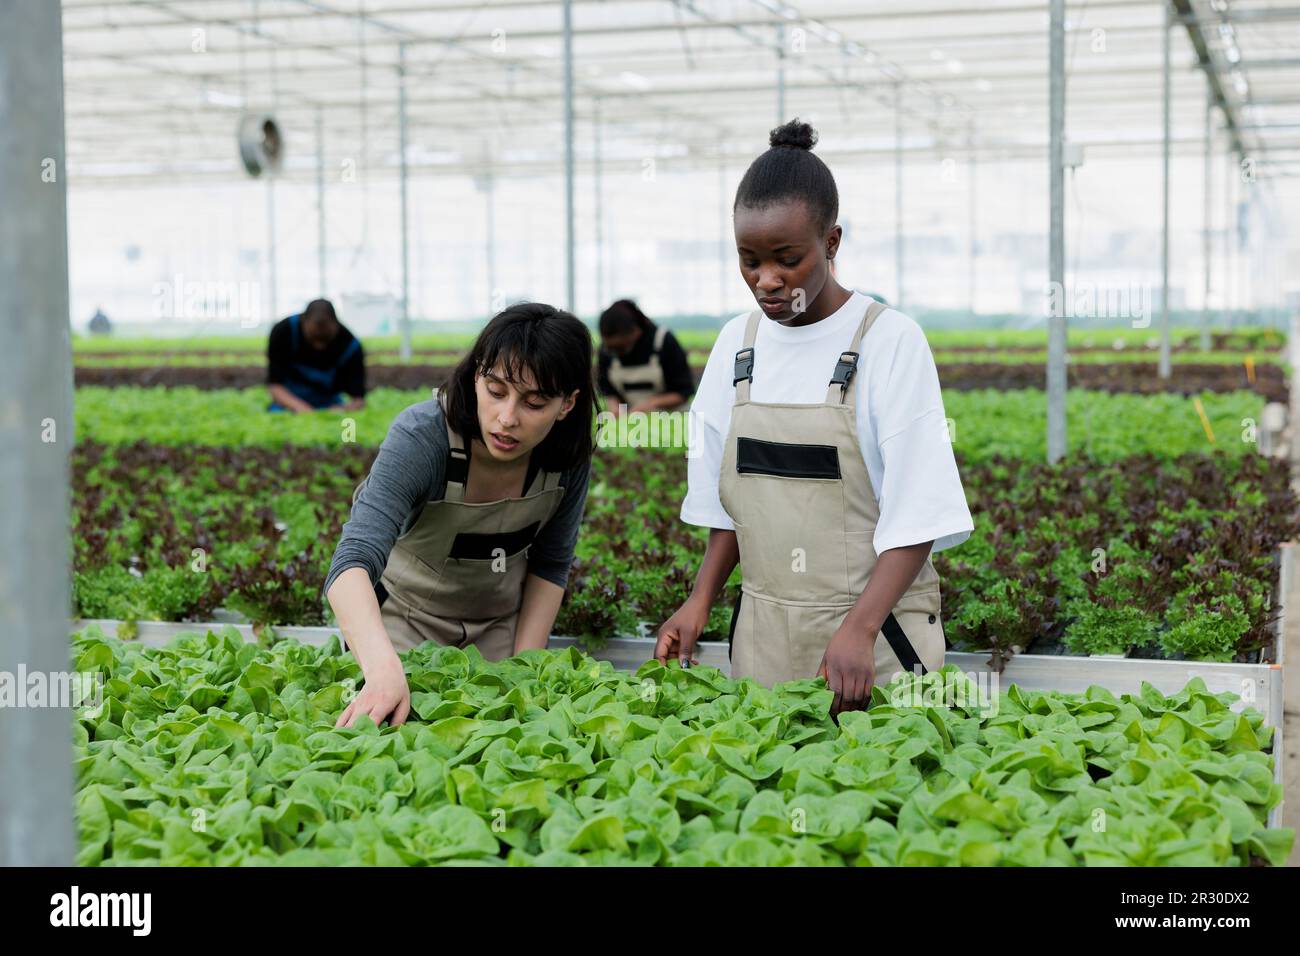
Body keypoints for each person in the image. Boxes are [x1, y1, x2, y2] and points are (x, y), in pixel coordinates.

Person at [655, 119, 973, 716]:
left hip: (876, 644)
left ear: (832, 242)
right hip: (763, 640)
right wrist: (699, 601)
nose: (766, 281)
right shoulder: (736, 345)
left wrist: (860, 628)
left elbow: (919, 512)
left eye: (787, 259)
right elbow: (735, 503)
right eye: (749, 260)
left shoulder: (889, 341)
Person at [323, 302, 597, 729]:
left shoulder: (567, 456)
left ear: (567, 405)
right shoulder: (424, 437)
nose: (507, 419)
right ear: (476, 377)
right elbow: (352, 561)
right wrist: (382, 671)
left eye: (535, 402)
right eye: (496, 390)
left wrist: (526, 670)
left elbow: (551, 564)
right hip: (402, 630)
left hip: (497, 634)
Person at [266, 298, 366, 413]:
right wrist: (301, 408)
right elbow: (275, 386)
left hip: (329, 403)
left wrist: (341, 410)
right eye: (314, 337)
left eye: (326, 338)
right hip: (290, 403)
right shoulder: (283, 332)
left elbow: (358, 400)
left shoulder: (351, 346)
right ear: (303, 321)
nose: (319, 346)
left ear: (336, 324)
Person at [597, 299, 695, 414]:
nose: (616, 353)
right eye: (611, 348)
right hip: (631, 419)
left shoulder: (663, 341)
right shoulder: (606, 350)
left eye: (621, 348)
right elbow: (608, 390)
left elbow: (683, 392)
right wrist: (615, 406)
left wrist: (652, 403)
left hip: (669, 416)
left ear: (636, 331)